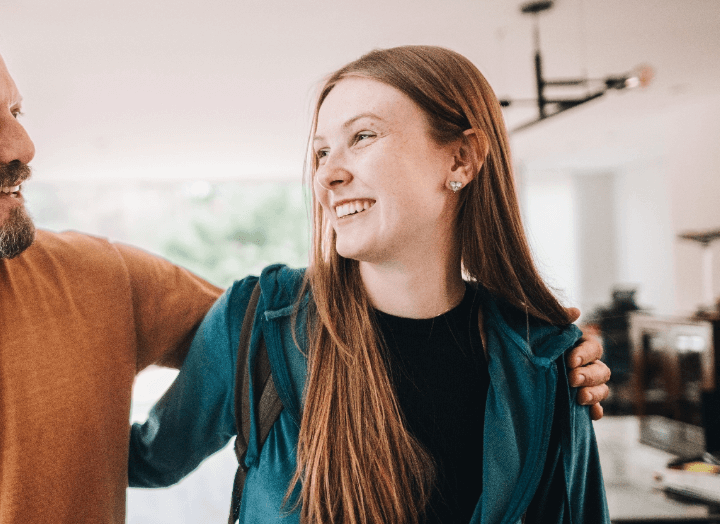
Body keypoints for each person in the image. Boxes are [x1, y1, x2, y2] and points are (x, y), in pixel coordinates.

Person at [0, 1, 609, 521]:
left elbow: (304, 339)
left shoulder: (109, 282)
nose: (22, 144)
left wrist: (554, 350)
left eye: (15, 110)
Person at [129, 46, 609, 523]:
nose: (328, 175)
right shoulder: (256, 321)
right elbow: (144, 459)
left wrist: (552, 348)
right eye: (320, 152)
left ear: (461, 160)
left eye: (362, 136)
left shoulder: (544, 363)